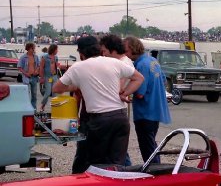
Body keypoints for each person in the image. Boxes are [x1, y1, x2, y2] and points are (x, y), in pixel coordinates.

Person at [52, 35, 144, 168]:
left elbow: (57, 88)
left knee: (96, 164)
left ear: (81, 53)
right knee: (117, 164)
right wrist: (124, 93)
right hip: (120, 118)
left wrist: (78, 85)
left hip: (100, 120)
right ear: (99, 49)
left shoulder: (78, 67)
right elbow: (139, 78)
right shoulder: (114, 62)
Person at [124, 35, 171, 163]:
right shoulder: (153, 61)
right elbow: (163, 81)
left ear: (133, 49)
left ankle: (154, 173)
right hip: (156, 110)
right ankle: (157, 170)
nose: (125, 55)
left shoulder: (141, 66)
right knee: (152, 143)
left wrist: (126, 94)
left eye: (126, 51)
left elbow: (140, 93)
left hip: (145, 112)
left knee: (147, 147)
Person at [100, 34, 134, 166]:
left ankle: (129, 175)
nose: (103, 55)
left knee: (118, 149)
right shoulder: (123, 61)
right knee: (118, 149)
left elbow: (118, 86)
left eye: (104, 51)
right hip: (116, 110)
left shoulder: (122, 63)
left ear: (113, 50)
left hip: (116, 110)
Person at [17, 42, 40, 110]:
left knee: (34, 94)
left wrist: (36, 71)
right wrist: (25, 73)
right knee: (26, 94)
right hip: (26, 77)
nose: (34, 49)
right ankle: (26, 108)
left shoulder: (35, 57)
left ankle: (33, 109)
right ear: (30, 48)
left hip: (34, 77)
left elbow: (38, 65)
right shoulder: (23, 57)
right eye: (33, 48)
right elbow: (19, 67)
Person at [39, 44, 60, 111]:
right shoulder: (45, 57)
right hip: (47, 77)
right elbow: (41, 67)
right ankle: (43, 105)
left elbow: (56, 66)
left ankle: (54, 108)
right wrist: (41, 77)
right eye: (56, 49)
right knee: (48, 92)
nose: (57, 51)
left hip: (54, 76)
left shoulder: (56, 57)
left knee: (55, 92)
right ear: (53, 49)